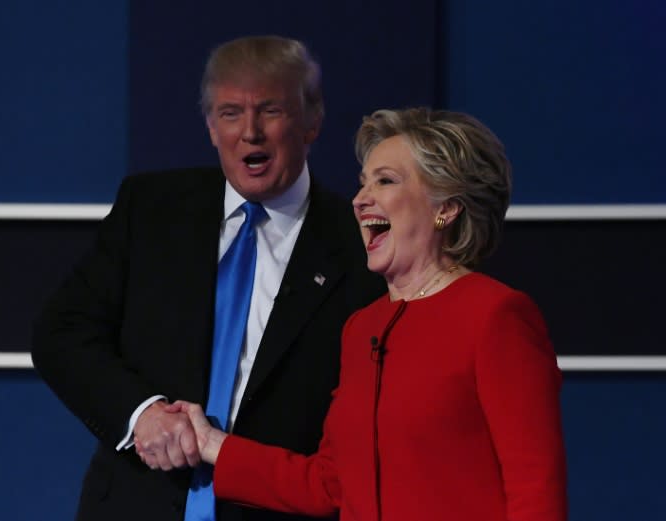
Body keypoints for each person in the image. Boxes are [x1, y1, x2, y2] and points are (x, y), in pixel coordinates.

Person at [30, 35, 385, 521]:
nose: (250, 132)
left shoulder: (358, 243)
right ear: (210, 126)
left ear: (313, 121)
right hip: (138, 505)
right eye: (231, 113)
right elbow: (62, 333)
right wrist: (142, 413)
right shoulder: (152, 208)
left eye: (271, 111)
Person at [161, 107, 568, 521]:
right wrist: (213, 444)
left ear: (445, 207)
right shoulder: (362, 327)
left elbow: (535, 489)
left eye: (385, 181)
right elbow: (329, 483)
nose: (359, 200)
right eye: (362, 184)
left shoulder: (494, 316)